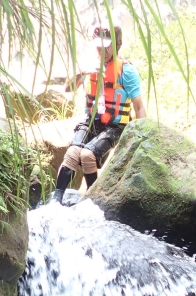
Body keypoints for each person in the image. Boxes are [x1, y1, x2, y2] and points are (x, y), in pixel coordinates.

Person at [50, 25, 147, 204]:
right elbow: (68, 88)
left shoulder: (127, 71)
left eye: (107, 46)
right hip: (92, 121)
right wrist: (84, 72)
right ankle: (55, 202)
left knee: (87, 155)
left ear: (118, 44)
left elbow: (139, 106)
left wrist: (143, 136)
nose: (102, 50)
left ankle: (92, 202)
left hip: (115, 125)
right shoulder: (90, 67)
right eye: (99, 45)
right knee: (72, 153)